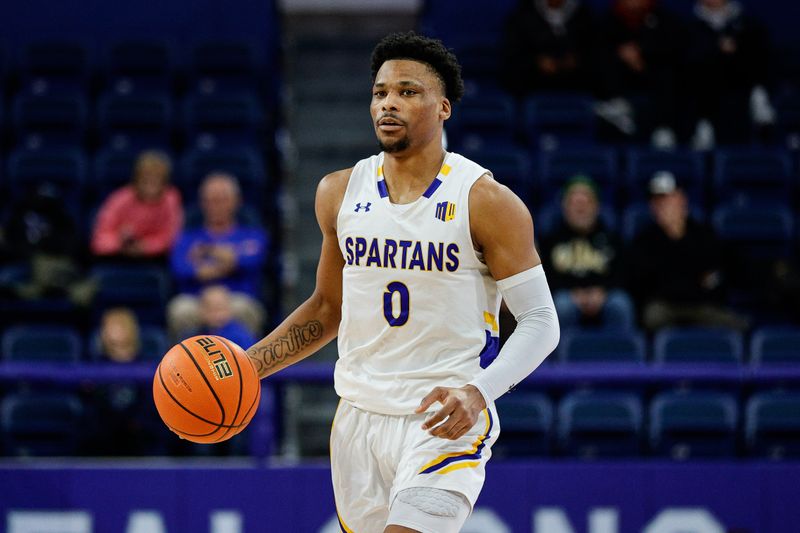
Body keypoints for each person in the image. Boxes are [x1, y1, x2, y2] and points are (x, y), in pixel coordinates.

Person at [245, 32, 560, 533]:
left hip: (444, 418)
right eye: (380, 92)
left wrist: (479, 392)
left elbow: (541, 321)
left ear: (443, 108)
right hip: (358, 419)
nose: (389, 102)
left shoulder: (487, 201)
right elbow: (328, 309)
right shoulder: (338, 192)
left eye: (408, 91)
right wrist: (247, 367)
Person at [627, 172, 749, 331]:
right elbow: (644, 284)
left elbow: (717, 274)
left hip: (702, 305)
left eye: (667, 199)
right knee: (652, 317)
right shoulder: (644, 239)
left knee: (740, 325)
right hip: (664, 307)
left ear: (681, 200)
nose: (661, 205)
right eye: (656, 201)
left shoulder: (703, 234)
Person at [168, 173, 268, 340]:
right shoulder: (187, 238)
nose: (216, 206)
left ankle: (245, 362)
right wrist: (226, 263)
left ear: (236, 201)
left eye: (222, 199)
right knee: (180, 310)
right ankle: (184, 364)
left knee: (244, 309)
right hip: (196, 299)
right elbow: (181, 269)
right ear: (202, 203)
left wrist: (206, 252)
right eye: (211, 200)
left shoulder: (252, 235)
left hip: (236, 297)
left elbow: (250, 261)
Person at [539, 175, 633, 329]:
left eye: (585, 202)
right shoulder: (550, 240)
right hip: (567, 295)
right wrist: (574, 293)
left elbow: (624, 274)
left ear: (596, 206)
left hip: (605, 296)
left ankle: (620, 351)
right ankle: (558, 353)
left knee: (620, 304)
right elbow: (544, 277)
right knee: (562, 305)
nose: (580, 208)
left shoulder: (612, 239)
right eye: (575, 203)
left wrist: (603, 291)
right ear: (565, 206)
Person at [594, 0, 685, 148]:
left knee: (669, 74)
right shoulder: (609, 19)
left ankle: (664, 127)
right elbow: (598, 51)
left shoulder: (664, 18)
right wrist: (623, 54)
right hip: (621, 80)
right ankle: (615, 102)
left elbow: (674, 50)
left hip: (653, 78)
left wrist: (642, 55)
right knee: (606, 62)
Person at [686, 0, 773, 149]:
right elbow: (686, 63)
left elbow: (762, 60)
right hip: (703, 96)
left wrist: (735, 52)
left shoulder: (749, 24)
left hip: (740, 96)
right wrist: (716, 50)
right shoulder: (688, 27)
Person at [91, 150, 183, 262]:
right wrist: (120, 243)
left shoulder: (171, 199)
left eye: (157, 178)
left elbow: (172, 238)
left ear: (165, 181)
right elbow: (99, 240)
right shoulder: (120, 199)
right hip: (118, 257)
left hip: (156, 259)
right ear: (136, 179)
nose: (151, 182)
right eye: (146, 178)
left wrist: (145, 246)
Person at [501, 0, 596, 96]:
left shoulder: (583, 13)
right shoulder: (523, 13)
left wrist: (576, 59)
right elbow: (513, 52)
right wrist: (537, 61)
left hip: (576, 80)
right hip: (533, 81)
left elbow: (593, 48)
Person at [188, 285, 257, 350]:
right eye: (210, 310)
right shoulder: (193, 334)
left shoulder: (240, 335)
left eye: (220, 309)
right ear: (201, 311)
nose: (216, 315)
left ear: (229, 309)